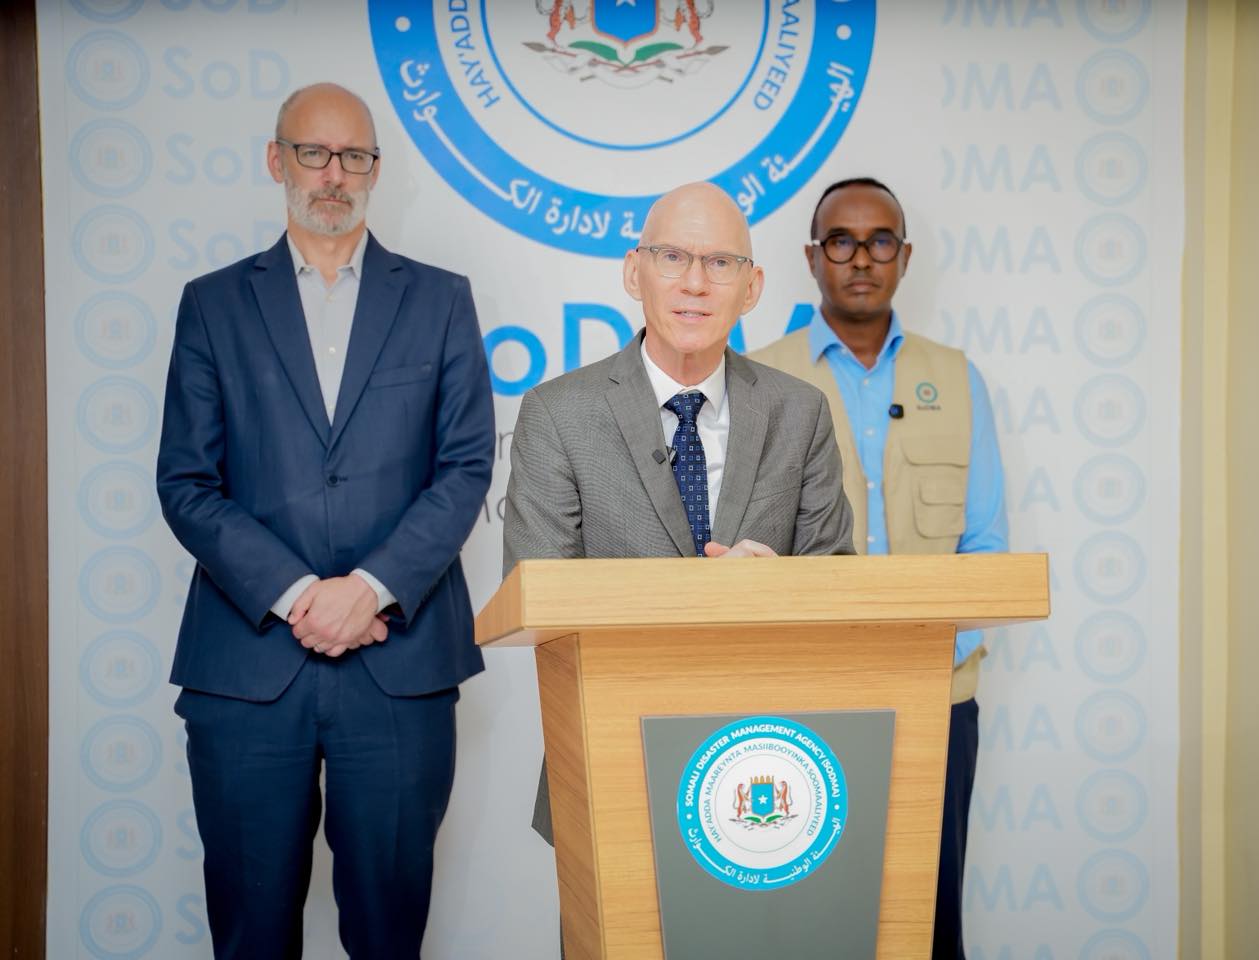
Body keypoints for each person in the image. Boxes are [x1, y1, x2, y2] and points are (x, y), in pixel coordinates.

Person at [156, 82, 495, 960]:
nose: (334, 175)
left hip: (398, 666)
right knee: (251, 934)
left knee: (389, 935)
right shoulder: (213, 304)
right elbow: (187, 482)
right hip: (247, 665)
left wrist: (371, 589)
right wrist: (303, 593)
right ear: (278, 160)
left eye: (354, 157)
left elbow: (465, 468)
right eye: (314, 153)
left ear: (376, 169)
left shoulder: (441, 300)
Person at [503, 181, 855, 849]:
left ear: (751, 288)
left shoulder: (800, 412)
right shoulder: (558, 414)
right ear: (634, 272)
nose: (695, 282)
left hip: (773, 768)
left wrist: (776, 589)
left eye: (720, 263)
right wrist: (706, 597)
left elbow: (837, 582)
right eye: (672, 257)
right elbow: (538, 598)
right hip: (610, 755)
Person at [750, 177, 1008, 960]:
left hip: (937, 697)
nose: (861, 259)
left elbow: (985, 551)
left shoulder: (956, 378)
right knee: (808, 926)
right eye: (841, 241)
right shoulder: (758, 378)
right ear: (812, 257)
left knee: (927, 924)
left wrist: (921, 663)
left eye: (880, 241)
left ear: (905, 256)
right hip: (803, 701)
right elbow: (742, 557)